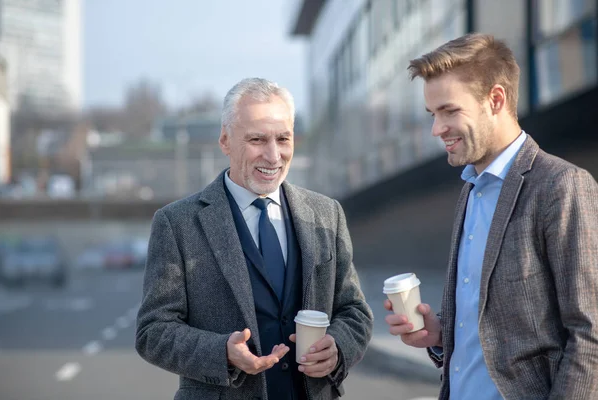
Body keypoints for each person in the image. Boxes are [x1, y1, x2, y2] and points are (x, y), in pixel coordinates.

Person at [384, 33, 598, 399]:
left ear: (495, 100)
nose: (437, 129)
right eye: (433, 114)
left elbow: (589, 335)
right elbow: (494, 332)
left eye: (450, 111)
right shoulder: (470, 188)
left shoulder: (561, 186)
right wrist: (439, 336)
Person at [136, 77, 373, 400]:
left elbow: (354, 310)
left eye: (283, 139)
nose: (273, 156)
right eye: (257, 139)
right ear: (225, 140)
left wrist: (339, 347)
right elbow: (153, 332)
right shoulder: (177, 223)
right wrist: (221, 352)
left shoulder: (326, 213)